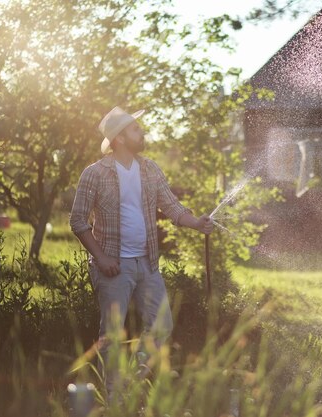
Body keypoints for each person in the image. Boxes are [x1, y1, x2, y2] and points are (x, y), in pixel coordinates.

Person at [69, 106, 213, 398]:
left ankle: (129, 385)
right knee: (111, 335)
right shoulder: (94, 174)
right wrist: (101, 258)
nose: (142, 132)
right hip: (113, 267)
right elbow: (78, 221)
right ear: (119, 138)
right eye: (135, 129)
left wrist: (196, 223)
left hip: (147, 264)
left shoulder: (149, 169)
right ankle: (113, 400)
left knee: (162, 327)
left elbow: (171, 207)